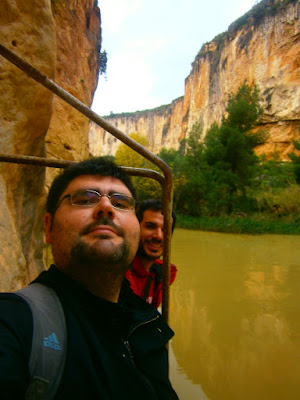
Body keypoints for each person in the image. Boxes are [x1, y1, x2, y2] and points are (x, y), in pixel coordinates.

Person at [0, 158, 178, 400]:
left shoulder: (148, 324)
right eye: (84, 200)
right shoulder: (14, 323)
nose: (106, 207)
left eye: (121, 203)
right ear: (48, 227)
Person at [125, 199, 177, 308]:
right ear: (135, 228)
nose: (158, 236)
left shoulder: (161, 274)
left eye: (165, 230)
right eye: (150, 226)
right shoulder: (115, 272)